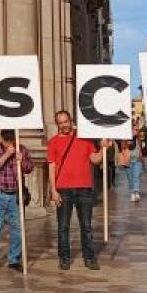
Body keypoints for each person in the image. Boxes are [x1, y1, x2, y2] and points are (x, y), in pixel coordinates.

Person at [47, 111, 102, 271]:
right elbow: (51, 166)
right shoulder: (53, 142)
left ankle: (89, 257)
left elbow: (94, 159)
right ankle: (64, 258)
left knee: (86, 225)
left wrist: (104, 149)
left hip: (84, 188)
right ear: (57, 124)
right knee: (63, 226)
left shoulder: (84, 138)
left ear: (71, 121)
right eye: (60, 123)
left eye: (66, 121)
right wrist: (53, 190)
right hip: (63, 189)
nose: (64, 125)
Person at [0, 128, 34, 273]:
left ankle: (14, 259)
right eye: (6, 140)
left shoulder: (22, 149)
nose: (8, 143)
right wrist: (7, 154)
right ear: (2, 138)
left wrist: (22, 160)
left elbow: (29, 168)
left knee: (17, 229)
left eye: (10, 140)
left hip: (15, 195)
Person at [125, 138, 144, 203]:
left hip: (137, 160)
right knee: (130, 178)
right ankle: (132, 193)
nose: (136, 130)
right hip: (128, 160)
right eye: (135, 129)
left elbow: (140, 149)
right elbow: (122, 148)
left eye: (137, 129)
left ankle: (136, 192)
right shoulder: (125, 138)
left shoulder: (138, 139)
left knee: (136, 176)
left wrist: (141, 157)